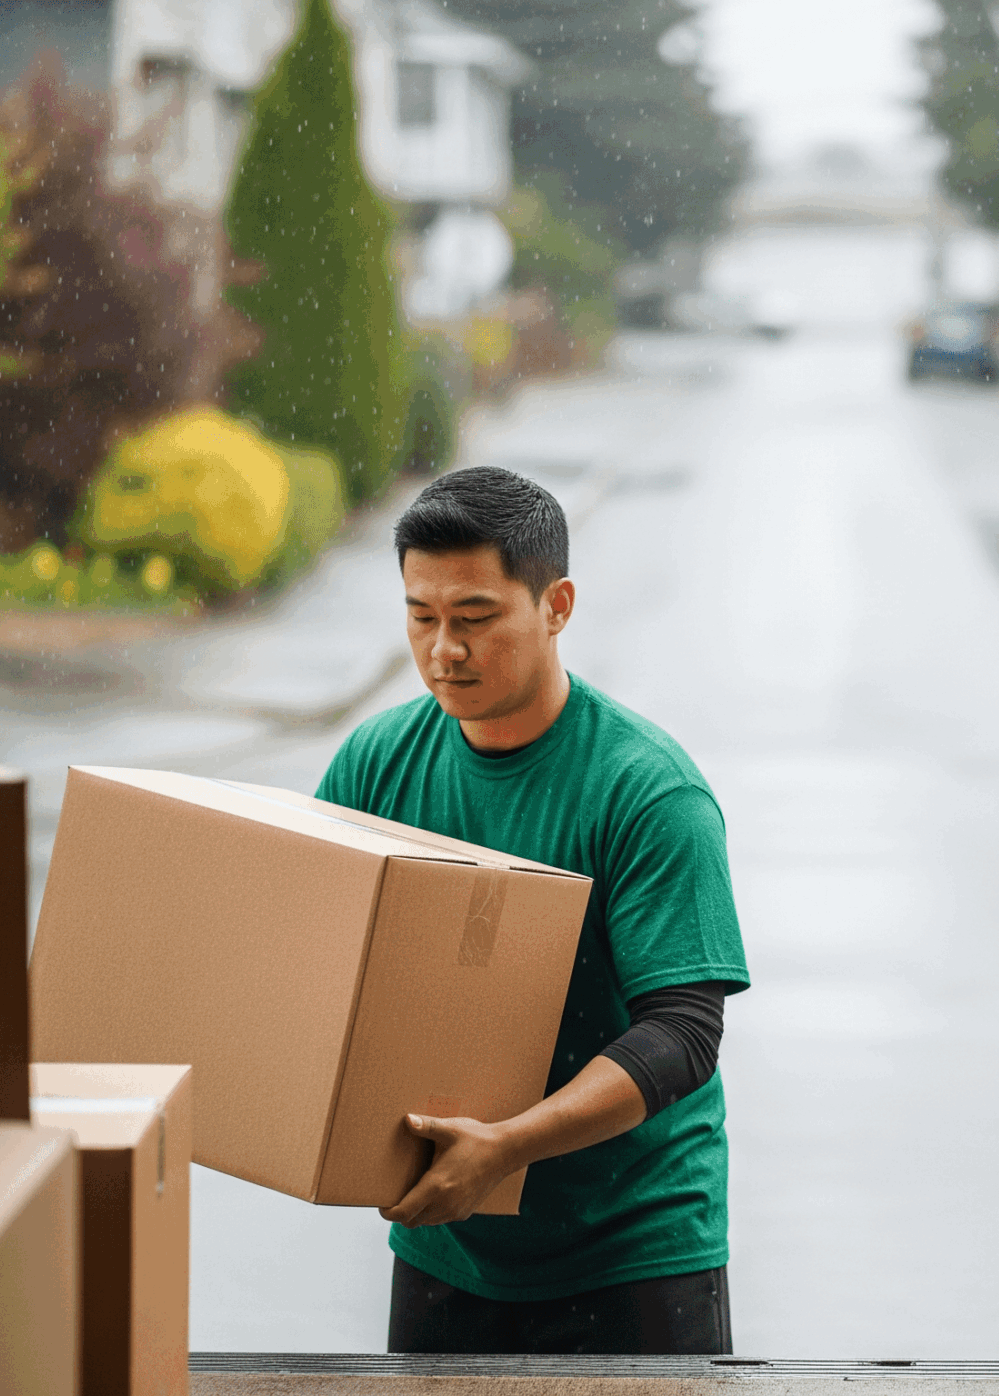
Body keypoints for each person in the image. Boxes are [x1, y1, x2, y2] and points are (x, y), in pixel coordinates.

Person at [316, 466, 751, 1355]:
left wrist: (508, 1146)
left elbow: (683, 1033)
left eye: (476, 618)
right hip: (447, 1242)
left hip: (636, 1249)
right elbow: (319, 964)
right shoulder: (374, 764)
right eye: (421, 616)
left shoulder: (645, 790)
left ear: (556, 605)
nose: (446, 649)